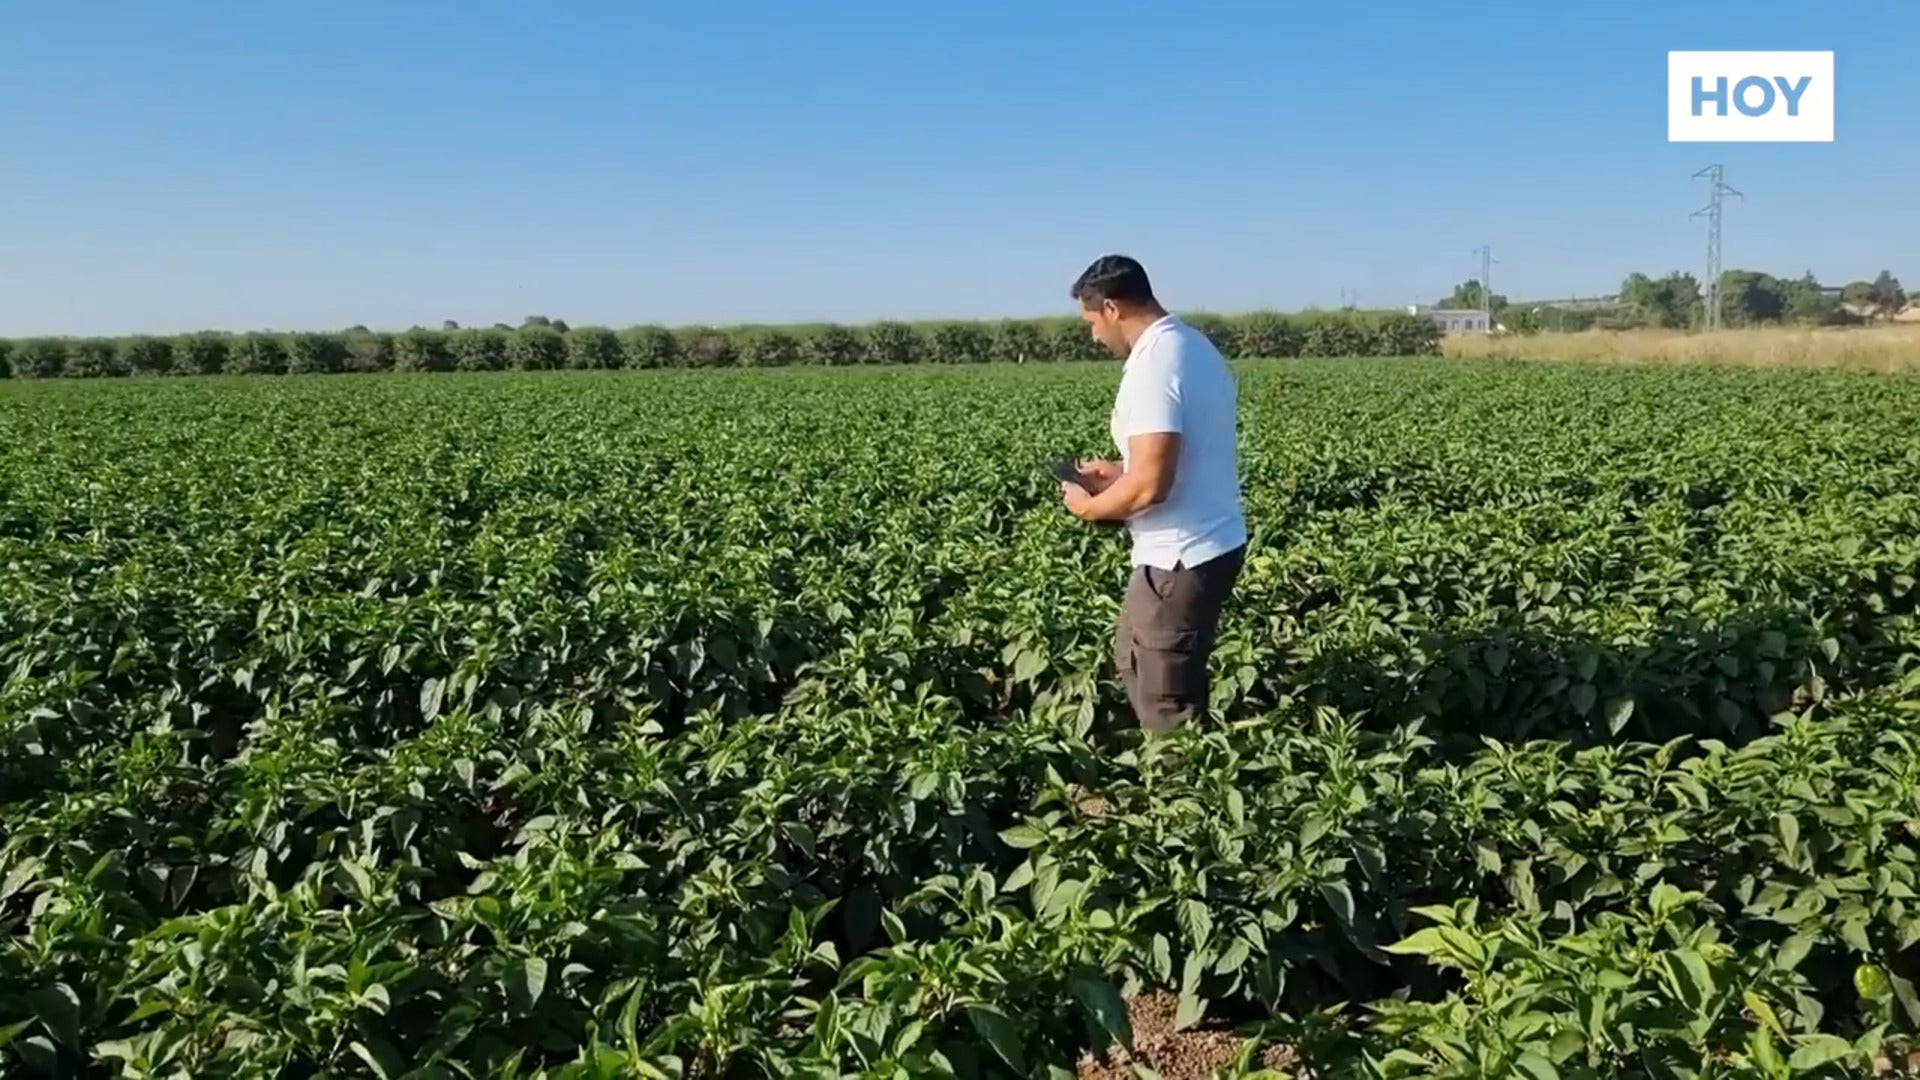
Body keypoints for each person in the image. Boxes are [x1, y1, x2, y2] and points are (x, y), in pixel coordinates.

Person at [1058, 254, 1249, 736]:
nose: (1094, 336)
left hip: (1180, 555)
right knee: (1139, 660)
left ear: (1113, 309)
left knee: (1165, 697)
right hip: (1200, 544)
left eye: (1092, 322)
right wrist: (1120, 470)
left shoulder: (1154, 367)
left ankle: (1182, 798)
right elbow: (1171, 460)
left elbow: (1150, 486)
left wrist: (1088, 507)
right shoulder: (1190, 345)